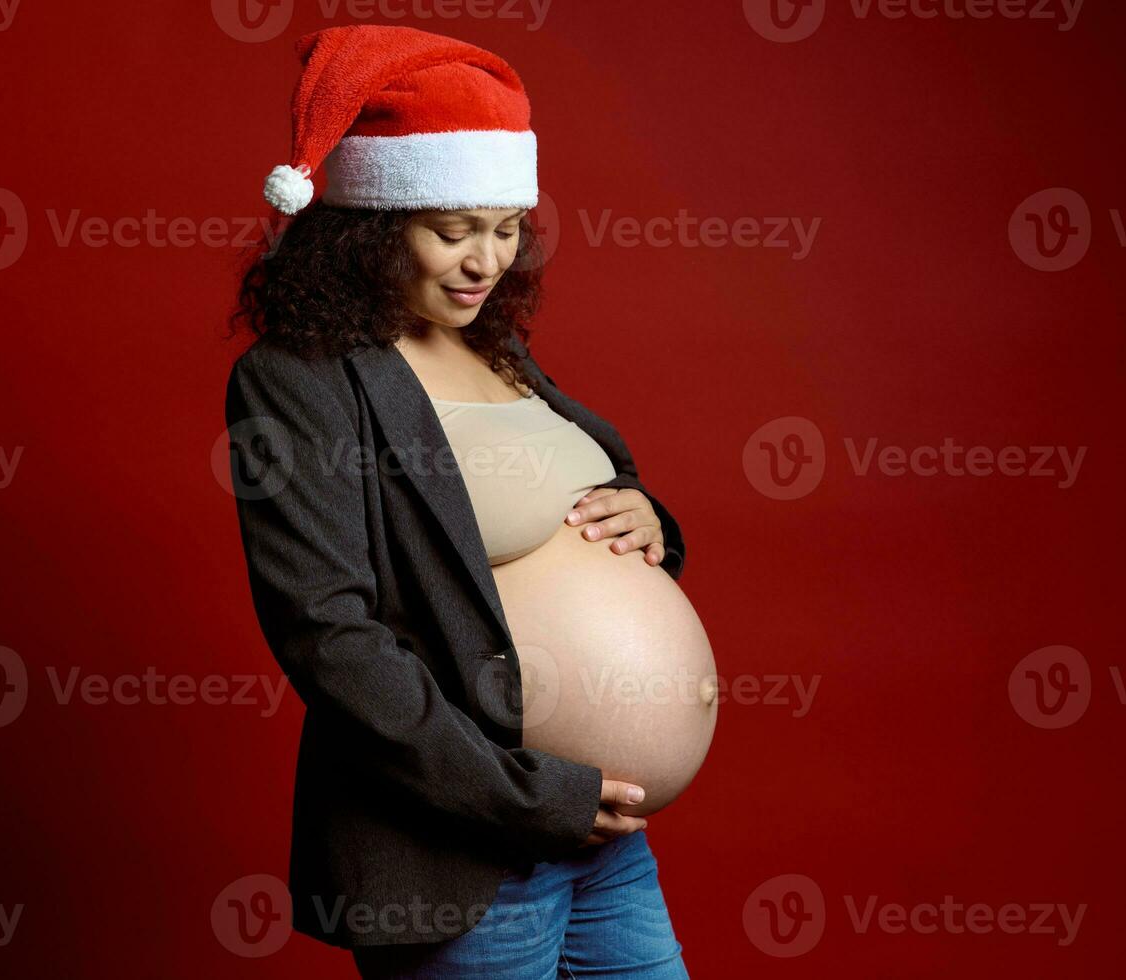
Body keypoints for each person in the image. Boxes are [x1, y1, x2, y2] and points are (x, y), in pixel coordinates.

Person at [224, 24, 693, 979]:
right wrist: (527, 796)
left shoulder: (491, 349)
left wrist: (645, 517)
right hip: (461, 857)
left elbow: (575, 493)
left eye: (506, 227)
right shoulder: (299, 381)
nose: (486, 261)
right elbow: (331, 637)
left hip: (603, 847)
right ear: (368, 226)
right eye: (453, 231)